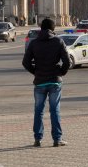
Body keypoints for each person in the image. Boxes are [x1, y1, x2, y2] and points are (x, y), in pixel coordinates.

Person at [22, 18, 70, 147]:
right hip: (55, 81)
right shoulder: (58, 41)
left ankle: (38, 139)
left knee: (38, 110)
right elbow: (67, 62)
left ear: (41, 28)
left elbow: (25, 63)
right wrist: (60, 72)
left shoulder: (34, 43)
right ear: (53, 29)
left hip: (40, 82)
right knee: (55, 110)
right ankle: (57, 139)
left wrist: (36, 72)